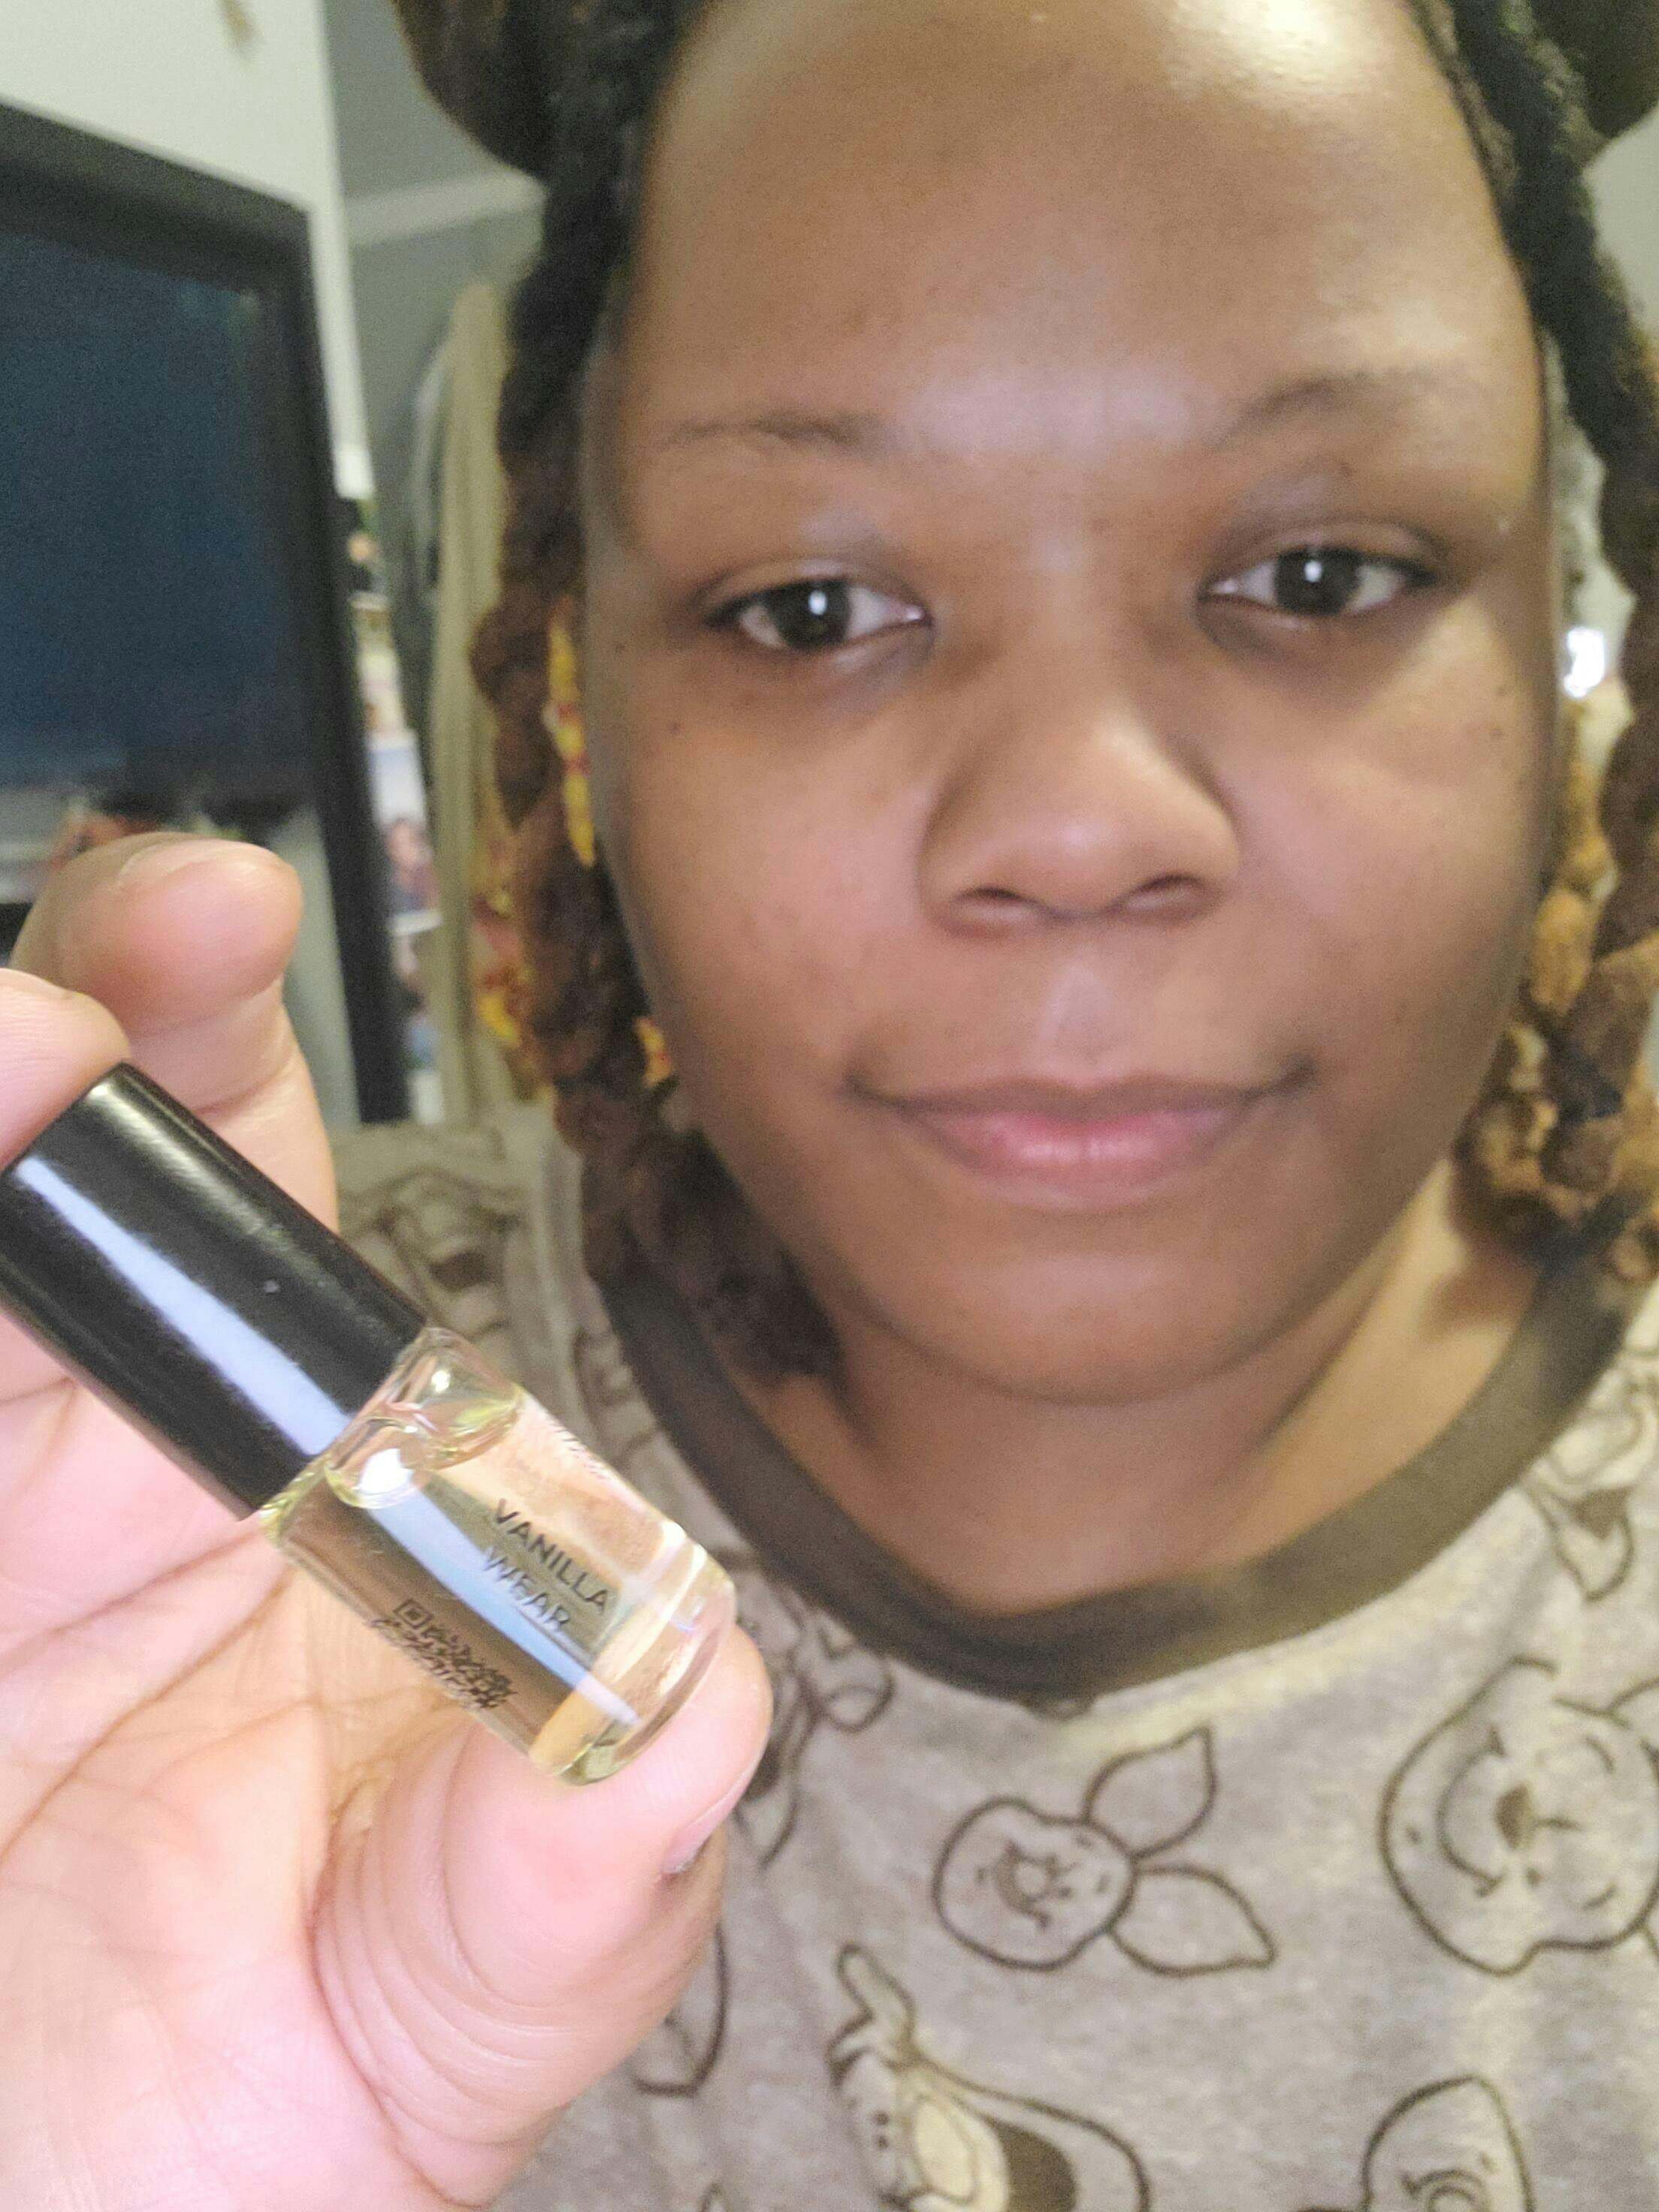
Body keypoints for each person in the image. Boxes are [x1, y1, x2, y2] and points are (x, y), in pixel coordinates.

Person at [5, 0, 1659, 2201]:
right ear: (580, 689)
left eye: (1319, 576)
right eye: (811, 605)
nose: (1073, 827)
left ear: (1561, 633)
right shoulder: (152, 1490)